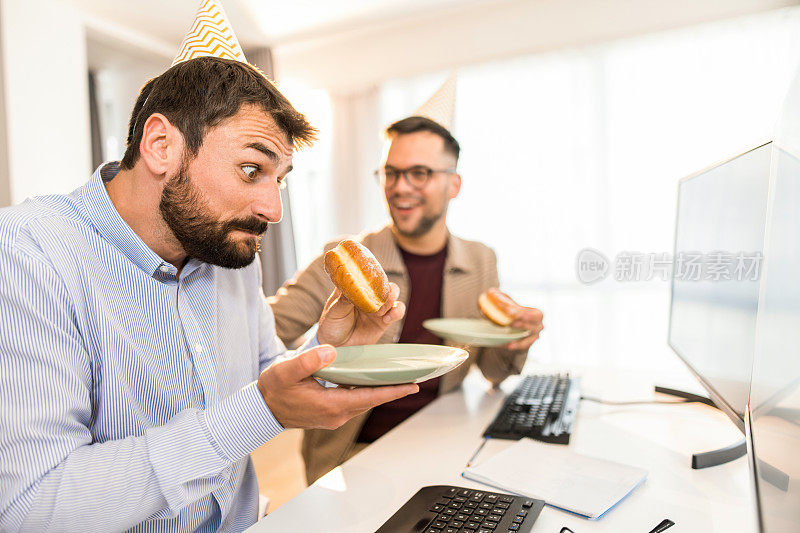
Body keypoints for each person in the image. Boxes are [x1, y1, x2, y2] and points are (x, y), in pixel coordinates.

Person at [0, 56, 420, 532]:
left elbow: (265, 378)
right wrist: (256, 413)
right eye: (250, 169)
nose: (273, 209)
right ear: (161, 146)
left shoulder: (231, 256)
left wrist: (332, 353)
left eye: (278, 179)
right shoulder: (27, 255)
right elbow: (30, 506)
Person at [269, 115, 544, 484]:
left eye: (419, 173)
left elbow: (495, 371)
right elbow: (268, 328)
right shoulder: (347, 260)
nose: (400, 187)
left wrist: (517, 339)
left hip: (447, 438)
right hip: (356, 453)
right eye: (391, 173)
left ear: (454, 184)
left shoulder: (481, 260)